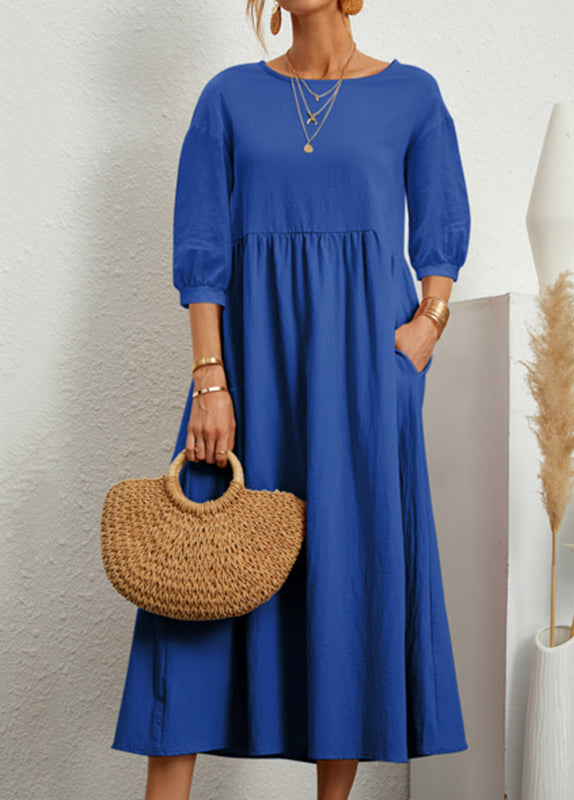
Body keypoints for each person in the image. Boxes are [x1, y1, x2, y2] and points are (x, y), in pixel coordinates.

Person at [110, 1, 471, 798]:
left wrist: (426, 329)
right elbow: (201, 247)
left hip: (363, 376)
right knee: (195, 580)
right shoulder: (228, 97)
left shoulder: (412, 95)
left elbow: (441, 224)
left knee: (348, 572)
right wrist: (210, 380)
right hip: (249, 368)